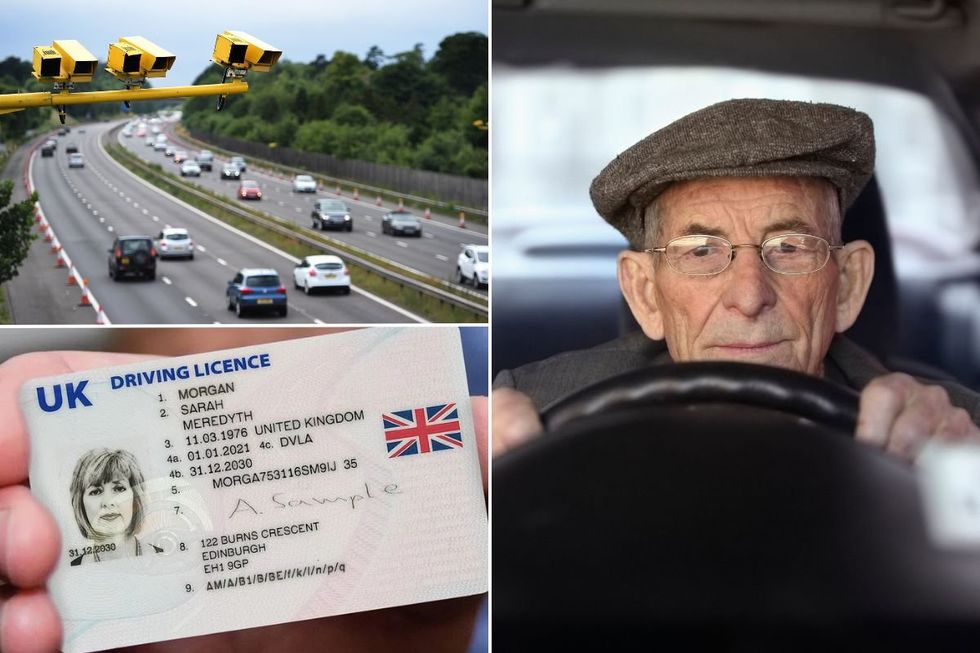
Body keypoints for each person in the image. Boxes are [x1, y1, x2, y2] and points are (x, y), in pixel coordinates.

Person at [493, 98, 980, 458]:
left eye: (789, 248)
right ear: (645, 293)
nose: (749, 297)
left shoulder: (953, 432)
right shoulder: (530, 413)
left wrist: (957, 483)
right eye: (701, 251)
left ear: (848, 285)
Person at [0, 328, 488, 653]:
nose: (107, 501)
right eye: (95, 491)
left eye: (117, 487)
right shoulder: (79, 584)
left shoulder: (462, 385)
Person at [68, 448, 162, 566]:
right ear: (80, 504)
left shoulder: (165, 558)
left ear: (135, 498)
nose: (108, 502)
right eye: (96, 491)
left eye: (119, 489)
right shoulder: (72, 570)